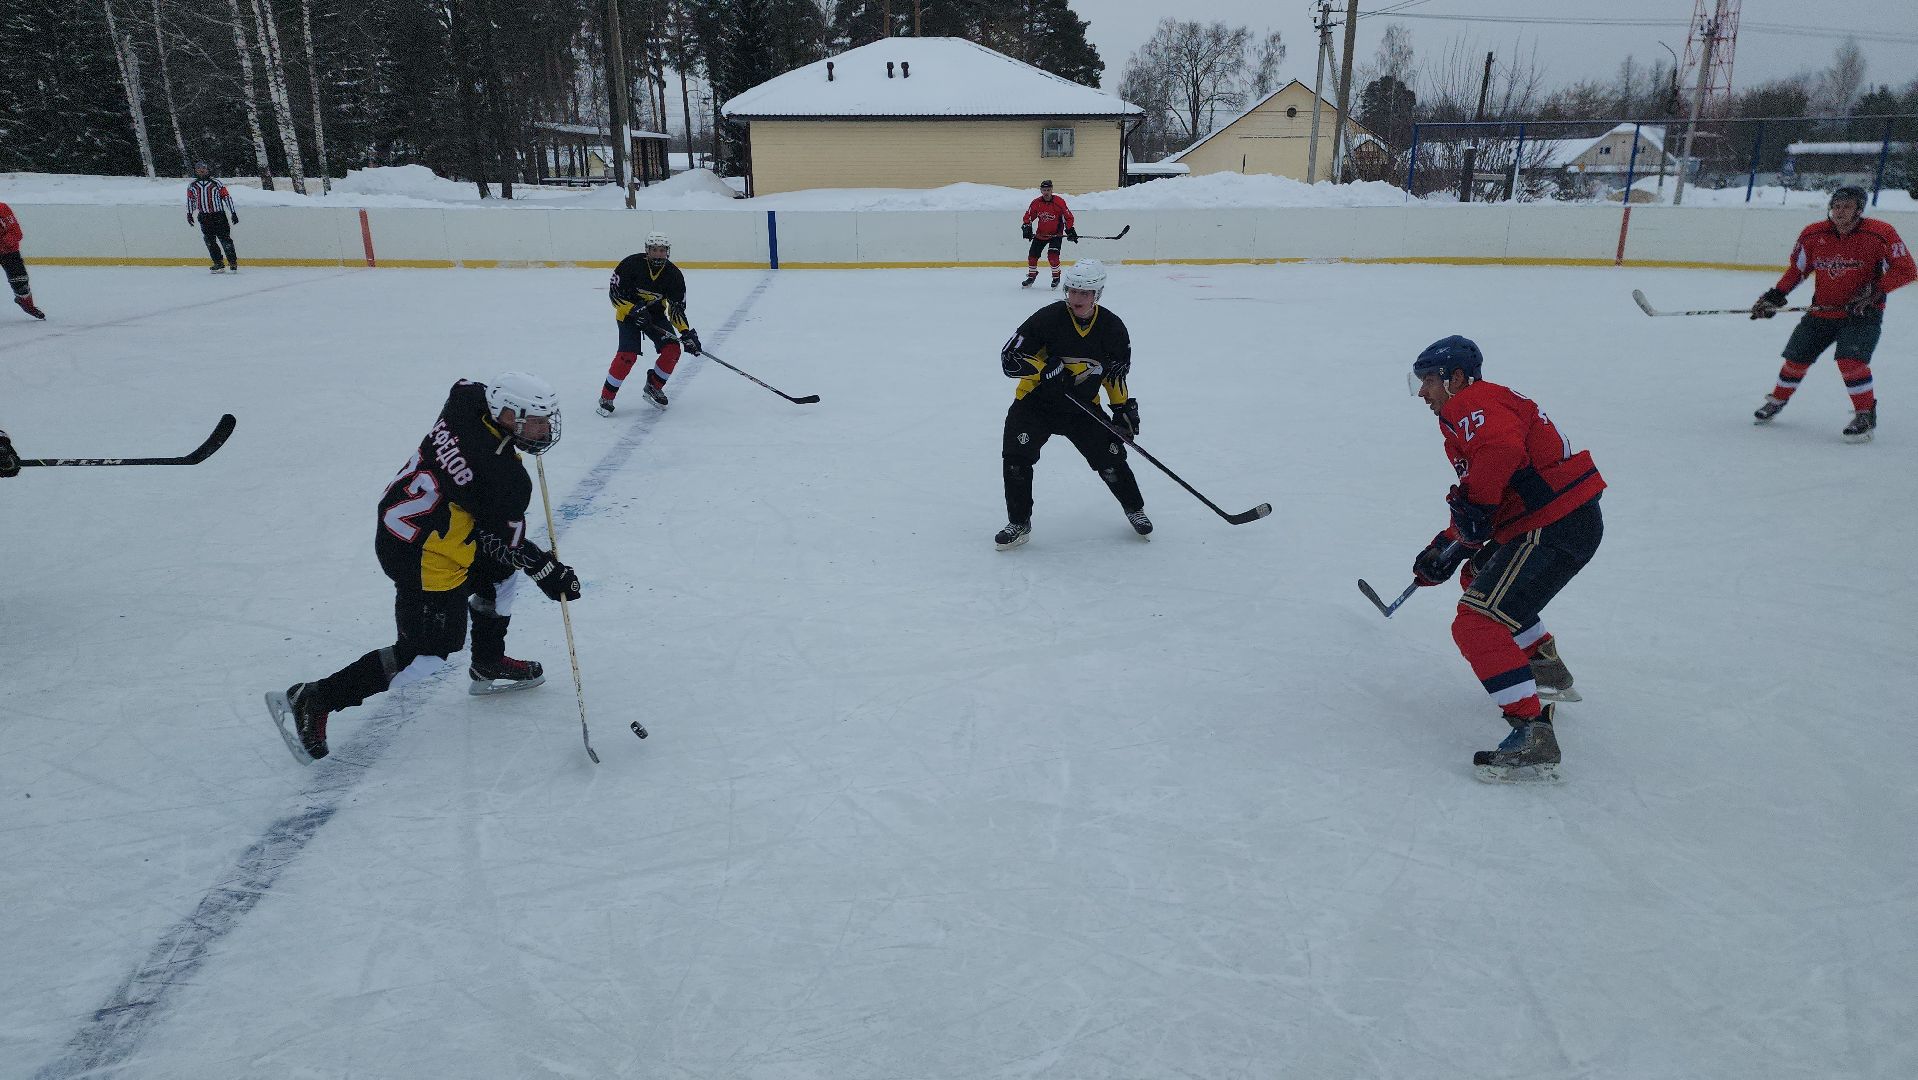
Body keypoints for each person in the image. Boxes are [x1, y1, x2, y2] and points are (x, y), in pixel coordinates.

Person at [264, 373, 582, 764]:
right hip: (423, 555)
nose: (546, 429)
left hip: (409, 520)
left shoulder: (466, 403)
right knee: (426, 655)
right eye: (537, 420)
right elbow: (510, 544)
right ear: (506, 414)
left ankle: (487, 661)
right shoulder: (505, 479)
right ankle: (314, 697)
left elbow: (468, 385)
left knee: (498, 575)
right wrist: (549, 572)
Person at [1407, 336, 1605, 782]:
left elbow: (1499, 455)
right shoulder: (1477, 408)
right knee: (1478, 577)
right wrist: (1446, 546)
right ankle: (1542, 663)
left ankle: (1532, 731)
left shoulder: (1472, 402)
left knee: (1475, 623)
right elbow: (1489, 493)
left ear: (1456, 378)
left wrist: (1473, 515)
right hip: (1562, 520)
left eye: (1428, 381)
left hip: (1553, 525)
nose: (1423, 392)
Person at [994, 258, 1148, 549]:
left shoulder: (1112, 328)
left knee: (1111, 462)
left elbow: (1113, 375)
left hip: (1081, 407)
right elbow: (1009, 359)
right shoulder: (1047, 319)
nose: (1077, 298)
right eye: (1073, 291)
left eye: (1085, 293)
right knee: (1016, 461)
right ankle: (1019, 522)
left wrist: (1122, 408)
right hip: (1034, 403)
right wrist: (1043, 370)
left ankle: (1134, 508)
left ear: (1097, 294)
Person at [1750, 185, 1914, 442]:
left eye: (1847, 207)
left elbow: (1906, 269)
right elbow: (1798, 270)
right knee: (1796, 359)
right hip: (1822, 311)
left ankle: (1864, 414)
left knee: (1851, 362)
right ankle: (1777, 400)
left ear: (1859, 210)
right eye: (1836, 206)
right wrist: (1776, 295)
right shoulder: (1813, 234)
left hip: (1862, 313)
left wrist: (1875, 291)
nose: (1839, 211)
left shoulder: (1880, 233)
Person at [597, 232, 701, 413]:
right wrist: (633, 310)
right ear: (647, 250)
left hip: (655, 317)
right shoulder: (630, 265)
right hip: (628, 315)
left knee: (673, 349)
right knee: (627, 356)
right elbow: (615, 296)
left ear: (667, 252)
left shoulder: (674, 275)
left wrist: (685, 332)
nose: (658, 254)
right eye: (654, 250)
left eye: (662, 250)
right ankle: (607, 396)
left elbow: (676, 308)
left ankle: (654, 386)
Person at [1019, 179, 1078, 289]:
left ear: (1052, 190)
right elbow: (1028, 216)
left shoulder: (1059, 202)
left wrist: (1070, 230)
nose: (1046, 192)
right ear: (1041, 190)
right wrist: (1026, 226)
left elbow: (1068, 217)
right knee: (1032, 256)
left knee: (1053, 257)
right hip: (1041, 234)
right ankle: (1032, 275)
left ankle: (1056, 277)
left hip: (1056, 235)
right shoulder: (1036, 203)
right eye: (1044, 190)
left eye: (1048, 190)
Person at [186, 163, 240, 274]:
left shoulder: (216, 183)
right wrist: (189, 214)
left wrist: (233, 212)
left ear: (207, 170)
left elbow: (226, 197)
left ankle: (233, 262)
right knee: (209, 241)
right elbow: (190, 200)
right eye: (199, 169)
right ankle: (218, 263)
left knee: (225, 239)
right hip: (204, 216)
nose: (202, 171)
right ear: (196, 171)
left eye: (204, 169)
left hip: (219, 215)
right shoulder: (192, 185)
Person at [1, 201, 46, 319]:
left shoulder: (2, 208)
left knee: (21, 283)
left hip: (8, 251)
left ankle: (27, 304)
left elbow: (17, 233)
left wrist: (4, 243)